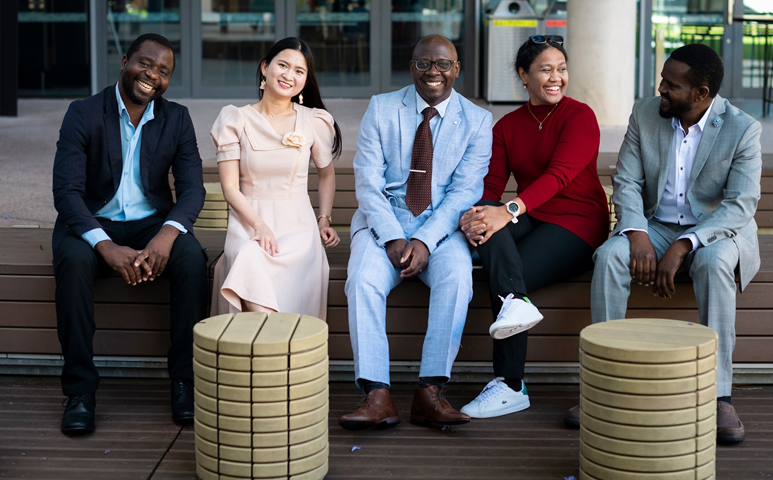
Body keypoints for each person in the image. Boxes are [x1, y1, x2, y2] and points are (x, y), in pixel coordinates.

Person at [580, 43, 761, 444]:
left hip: (715, 230)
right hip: (655, 224)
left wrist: (684, 246)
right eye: (662, 80)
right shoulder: (645, 113)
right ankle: (606, 383)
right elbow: (626, 181)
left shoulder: (742, 128)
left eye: (671, 85)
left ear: (701, 93)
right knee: (610, 256)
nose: (660, 89)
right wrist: (637, 232)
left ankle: (719, 395)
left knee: (713, 265)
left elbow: (740, 205)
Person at [51, 33, 207, 435]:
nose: (151, 75)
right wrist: (104, 245)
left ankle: (184, 383)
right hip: (92, 220)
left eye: (163, 71)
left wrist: (166, 235)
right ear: (124, 61)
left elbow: (192, 189)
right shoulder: (83, 113)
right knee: (72, 259)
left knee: (192, 258)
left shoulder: (177, 118)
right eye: (145, 63)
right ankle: (80, 391)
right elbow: (66, 192)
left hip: (151, 222)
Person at [339, 35, 492, 431]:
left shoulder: (477, 120)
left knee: (458, 279)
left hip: (440, 229)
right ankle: (376, 395)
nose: (433, 73)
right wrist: (393, 237)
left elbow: (464, 192)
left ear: (456, 69)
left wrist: (424, 240)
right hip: (383, 223)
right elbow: (368, 182)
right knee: (362, 282)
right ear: (412, 68)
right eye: (424, 64)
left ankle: (429, 392)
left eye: (443, 65)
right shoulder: (382, 107)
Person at [457, 35, 610, 418]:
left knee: (510, 273)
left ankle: (510, 384)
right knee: (488, 213)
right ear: (524, 76)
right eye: (545, 70)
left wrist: (507, 211)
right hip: (534, 216)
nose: (556, 77)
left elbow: (560, 176)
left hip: (579, 222)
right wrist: (476, 216)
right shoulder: (507, 126)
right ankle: (515, 312)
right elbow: (491, 186)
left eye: (561, 69)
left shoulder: (580, 116)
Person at [210, 38, 342, 317]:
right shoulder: (234, 119)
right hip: (249, 223)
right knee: (247, 256)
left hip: (298, 229)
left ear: (305, 81)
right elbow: (230, 187)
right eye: (282, 65)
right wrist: (259, 226)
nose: (288, 75)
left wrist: (324, 219)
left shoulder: (313, 121)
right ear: (265, 68)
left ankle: (275, 352)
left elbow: (326, 175)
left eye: (299, 71)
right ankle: (274, 351)